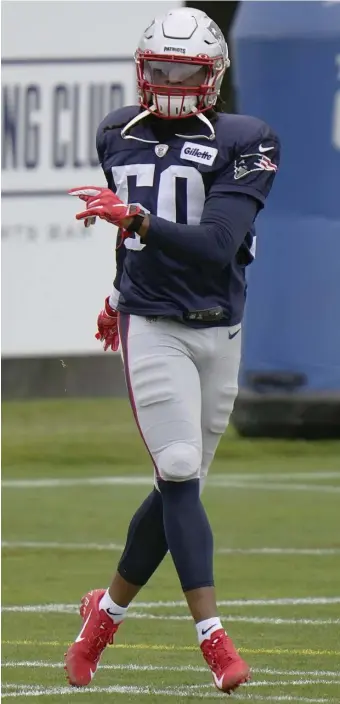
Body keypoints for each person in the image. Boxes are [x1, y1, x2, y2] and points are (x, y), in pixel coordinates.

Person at [65, 6, 280, 694]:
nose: (168, 81)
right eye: (158, 68)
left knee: (175, 488)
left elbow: (215, 244)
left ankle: (105, 613)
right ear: (139, 68)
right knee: (181, 466)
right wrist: (115, 293)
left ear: (213, 77)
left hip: (220, 327)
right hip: (151, 324)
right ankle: (212, 637)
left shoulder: (248, 139)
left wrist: (137, 220)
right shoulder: (115, 133)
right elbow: (129, 232)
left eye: (184, 70)